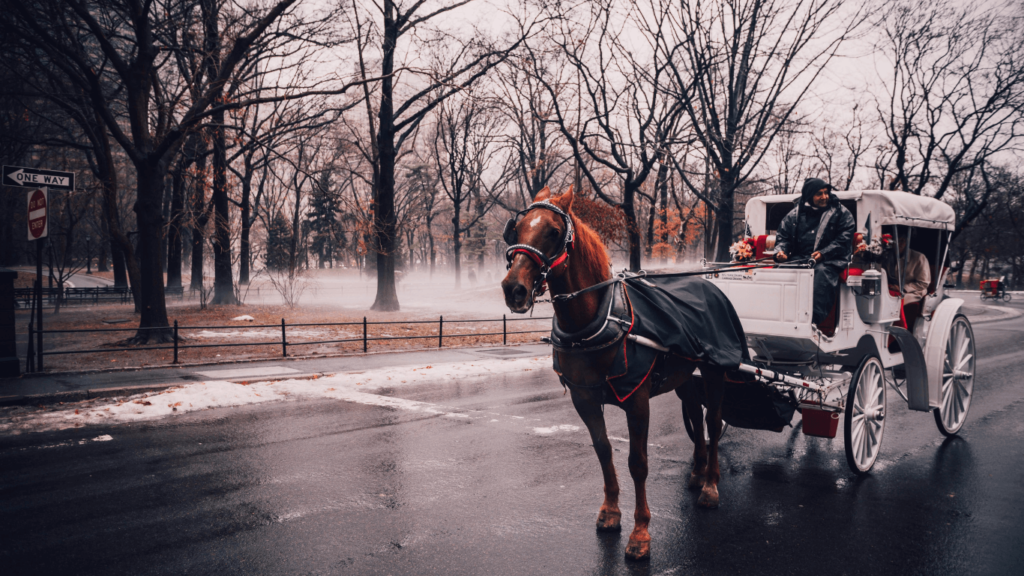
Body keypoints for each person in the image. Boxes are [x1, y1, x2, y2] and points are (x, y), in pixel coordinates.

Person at [774, 178, 856, 325]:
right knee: (781, 270)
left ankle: (813, 322)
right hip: (801, 258)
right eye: (819, 194)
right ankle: (778, 316)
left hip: (831, 260)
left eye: (826, 193)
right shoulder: (794, 214)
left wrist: (824, 253)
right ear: (809, 195)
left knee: (821, 273)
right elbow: (783, 237)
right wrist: (780, 252)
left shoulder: (842, 214)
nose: (825, 197)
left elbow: (844, 240)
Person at [886, 228, 931, 332]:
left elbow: (923, 283)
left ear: (906, 242)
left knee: (893, 302)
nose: (899, 244)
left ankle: (899, 331)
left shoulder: (919, 258)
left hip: (914, 292)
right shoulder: (887, 257)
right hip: (892, 289)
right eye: (896, 240)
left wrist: (903, 288)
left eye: (902, 241)